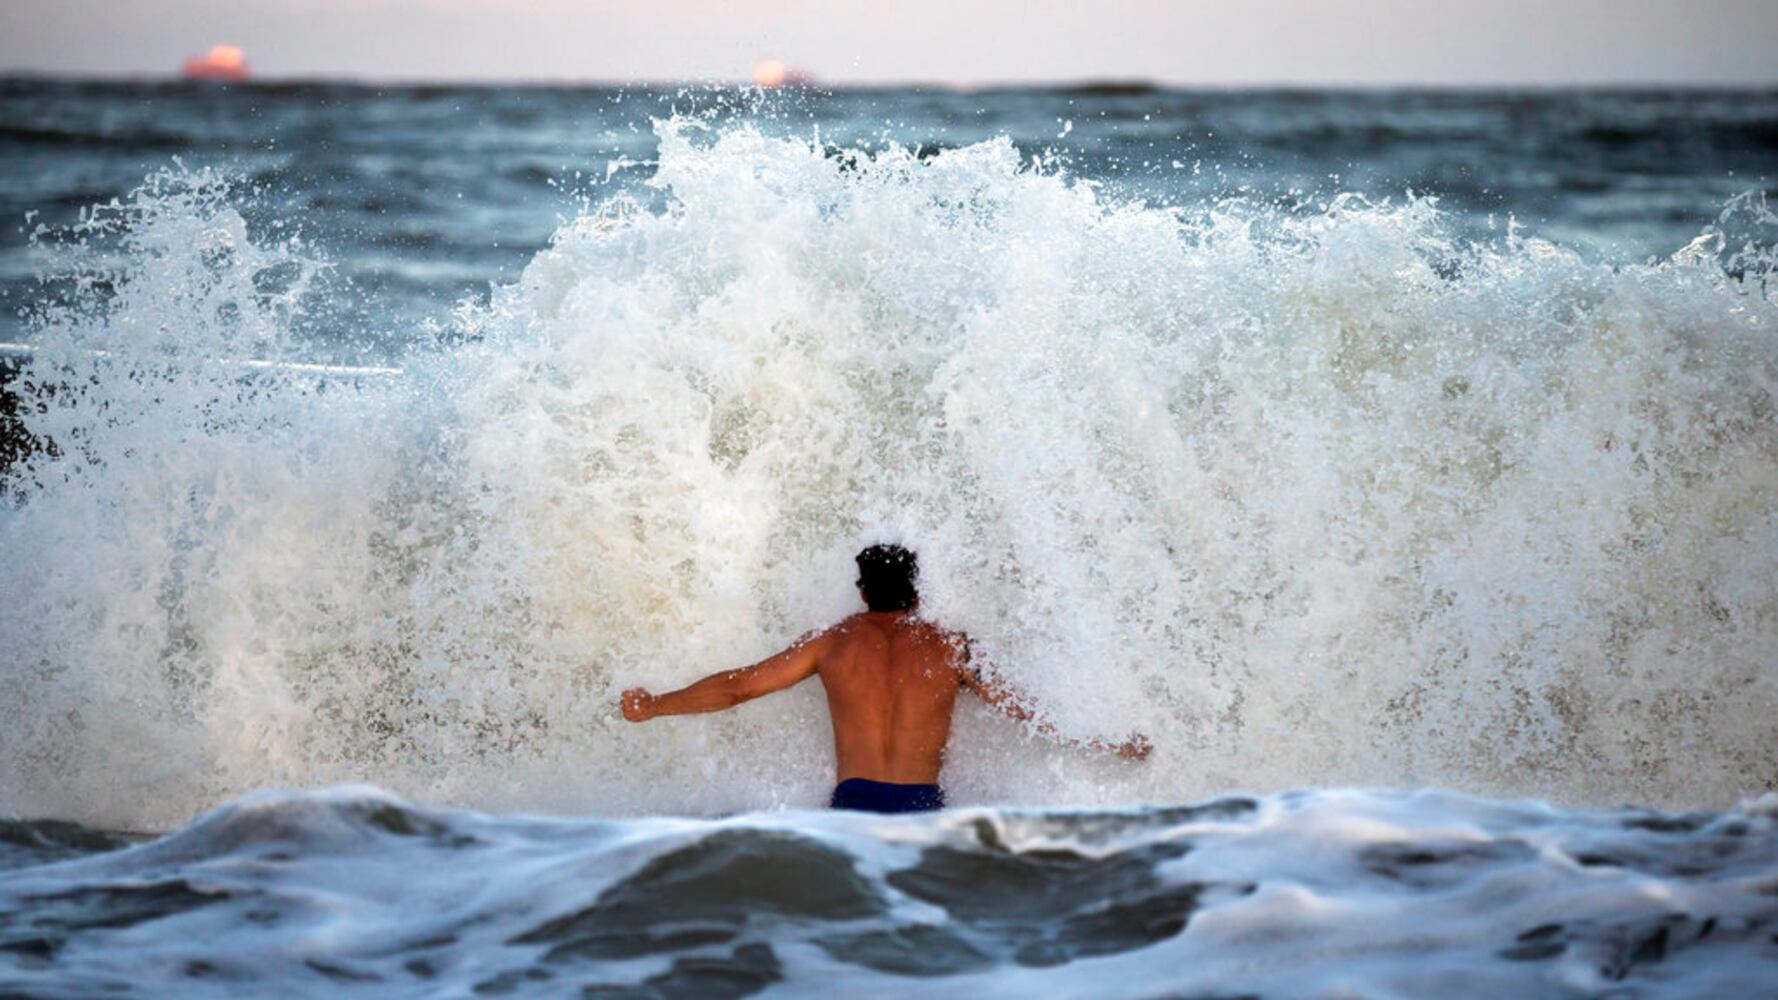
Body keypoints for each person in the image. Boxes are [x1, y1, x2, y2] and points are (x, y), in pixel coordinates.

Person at [619, 543, 1151, 814]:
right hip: (923, 805)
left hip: (854, 805)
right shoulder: (952, 647)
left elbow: (739, 686)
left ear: (863, 592)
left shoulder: (831, 643)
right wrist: (1105, 741)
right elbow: (1026, 712)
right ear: (917, 591)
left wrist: (656, 704)